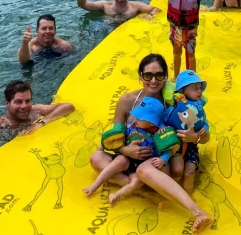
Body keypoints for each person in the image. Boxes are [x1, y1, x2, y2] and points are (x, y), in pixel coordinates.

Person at [89, 54, 212, 232]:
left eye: (158, 75)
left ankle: (197, 212)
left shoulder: (175, 101)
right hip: (131, 155)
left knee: (145, 169)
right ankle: (138, 187)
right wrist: (125, 150)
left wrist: (196, 138)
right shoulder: (127, 101)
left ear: (165, 76)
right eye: (148, 75)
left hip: (160, 158)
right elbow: (115, 134)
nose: (153, 80)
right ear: (140, 76)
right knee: (95, 158)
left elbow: (205, 135)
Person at [83, 97, 175, 205]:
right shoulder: (131, 126)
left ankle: (116, 195)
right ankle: (94, 186)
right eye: (136, 116)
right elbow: (113, 138)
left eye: (140, 118)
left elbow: (169, 148)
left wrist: (163, 159)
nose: (135, 119)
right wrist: (115, 147)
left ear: (152, 123)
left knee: (136, 182)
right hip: (126, 158)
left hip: (141, 166)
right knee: (117, 163)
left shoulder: (160, 132)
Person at [153, 0, 220, 79]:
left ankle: (191, 78)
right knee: (176, 52)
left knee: (190, 54)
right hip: (175, 27)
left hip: (189, 29)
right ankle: (177, 76)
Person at [0, 68, 75, 139]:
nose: (24, 106)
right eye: (18, 102)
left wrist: (40, 123)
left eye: (27, 101)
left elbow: (68, 107)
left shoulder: (35, 110)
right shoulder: (3, 124)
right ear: (7, 103)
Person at [163, 70, 208, 194]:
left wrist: (204, 131)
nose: (199, 91)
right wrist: (162, 127)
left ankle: (188, 195)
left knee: (190, 172)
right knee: (177, 171)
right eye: (195, 88)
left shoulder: (199, 108)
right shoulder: (173, 108)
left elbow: (204, 122)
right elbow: (164, 120)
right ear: (182, 91)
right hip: (175, 146)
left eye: (200, 88)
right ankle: (171, 195)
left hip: (191, 146)